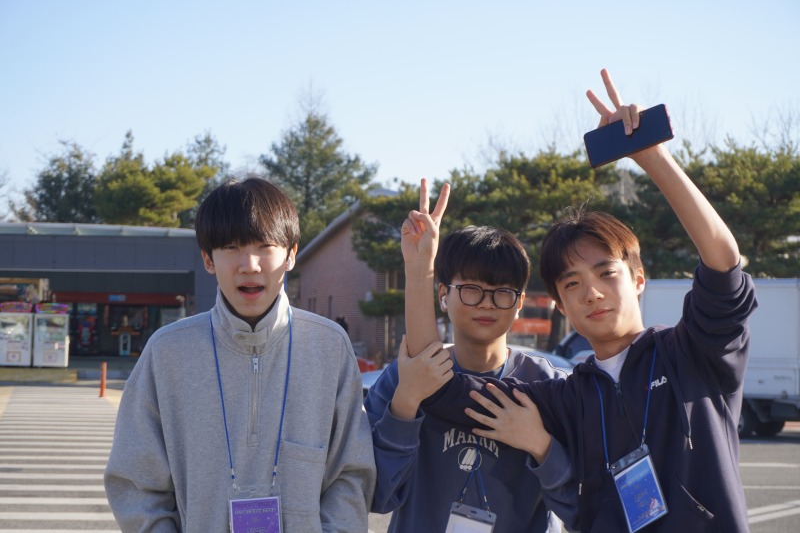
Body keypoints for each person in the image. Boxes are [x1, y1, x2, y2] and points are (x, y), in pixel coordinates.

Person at [419, 69, 758, 532]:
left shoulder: (692, 352)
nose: (592, 292)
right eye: (572, 283)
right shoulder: (565, 396)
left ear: (639, 279)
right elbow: (438, 387)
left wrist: (651, 157)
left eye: (606, 273)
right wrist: (421, 268)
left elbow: (724, 267)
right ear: (560, 304)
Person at [104, 177, 376, 532]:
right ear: (208, 259)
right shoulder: (167, 351)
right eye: (231, 247)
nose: (249, 264)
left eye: (265, 246)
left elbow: (350, 474)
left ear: (291, 255)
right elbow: (136, 483)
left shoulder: (329, 347)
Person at [364, 180, 578, 532]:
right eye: (472, 289)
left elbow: (579, 505)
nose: (486, 303)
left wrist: (541, 446)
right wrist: (405, 404)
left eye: (502, 292)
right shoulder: (405, 375)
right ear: (443, 295)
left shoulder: (546, 385)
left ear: (520, 303)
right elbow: (375, 495)